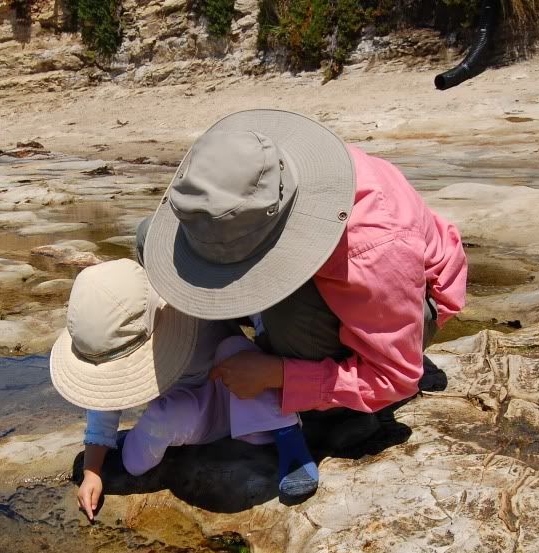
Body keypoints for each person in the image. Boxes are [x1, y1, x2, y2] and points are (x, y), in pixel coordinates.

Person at [141, 109, 468, 453]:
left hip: (403, 307)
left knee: (291, 312)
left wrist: (276, 374)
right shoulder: (259, 165)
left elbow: (395, 378)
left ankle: (335, 415)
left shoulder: (372, 249)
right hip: (361, 277)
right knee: (152, 239)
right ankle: (224, 355)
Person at [50, 258, 320, 522]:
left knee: (237, 352)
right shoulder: (114, 339)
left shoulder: (193, 303)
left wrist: (270, 345)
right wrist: (93, 469)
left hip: (234, 396)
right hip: (187, 413)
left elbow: (256, 301)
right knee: (162, 419)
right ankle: (131, 458)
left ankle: (290, 442)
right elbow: (104, 398)